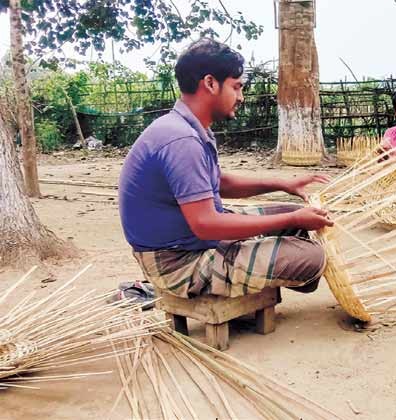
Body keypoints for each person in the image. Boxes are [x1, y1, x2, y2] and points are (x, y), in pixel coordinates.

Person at [118, 39, 333, 299]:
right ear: (210, 83)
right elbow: (207, 224)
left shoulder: (187, 128)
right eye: (236, 87)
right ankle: (240, 267)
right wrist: (291, 221)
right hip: (179, 264)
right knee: (312, 256)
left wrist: (281, 184)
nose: (240, 97)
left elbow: (218, 183)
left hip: (191, 243)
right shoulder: (181, 140)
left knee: (299, 216)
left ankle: (252, 259)